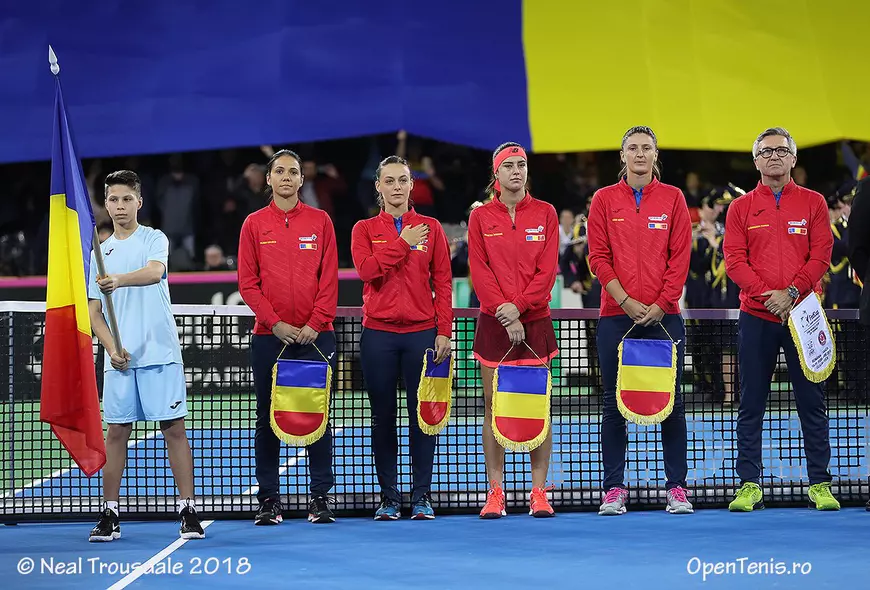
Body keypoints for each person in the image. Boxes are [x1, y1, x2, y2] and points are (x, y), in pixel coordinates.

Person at [723, 127, 839, 512]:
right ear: (756, 161)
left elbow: (821, 255)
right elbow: (735, 260)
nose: (774, 156)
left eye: (781, 150)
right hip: (757, 317)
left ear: (793, 159)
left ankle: (820, 483)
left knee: (812, 401)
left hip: (804, 316)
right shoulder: (740, 208)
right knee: (751, 403)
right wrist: (768, 297)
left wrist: (790, 294)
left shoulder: (814, 203)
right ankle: (749, 484)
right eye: (766, 151)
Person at [87, 170, 204, 542]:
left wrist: (119, 280)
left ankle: (187, 509)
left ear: (139, 201)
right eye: (113, 200)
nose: (120, 206)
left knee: (173, 430)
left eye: (126, 199)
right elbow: (93, 314)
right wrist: (110, 346)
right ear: (106, 204)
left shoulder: (154, 239)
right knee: (117, 432)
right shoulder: (99, 254)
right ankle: (109, 513)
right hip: (120, 360)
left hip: (158, 352)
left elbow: (155, 273)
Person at [587, 126, 693, 516]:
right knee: (612, 406)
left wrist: (664, 303)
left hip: (665, 319)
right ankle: (613, 489)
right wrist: (626, 300)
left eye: (646, 148)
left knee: (673, 404)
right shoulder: (602, 200)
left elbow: (680, 256)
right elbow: (598, 257)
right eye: (632, 148)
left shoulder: (674, 199)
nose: (640, 154)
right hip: (617, 316)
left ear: (655, 155)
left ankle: (677, 488)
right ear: (622, 155)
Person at [237, 149, 339, 525]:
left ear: (301, 179)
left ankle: (321, 498)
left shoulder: (321, 221)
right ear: (269, 179)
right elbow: (247, 283)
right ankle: (269, 500)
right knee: (267, 418)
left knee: (318, 416)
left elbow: (329, 279)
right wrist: (275, 323)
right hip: (270, 338)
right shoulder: (253, 224)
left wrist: (316, 321)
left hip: (317, 336)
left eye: (292, 172)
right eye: (279, 171)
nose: (286, 177)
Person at [351, 155, 453, 520]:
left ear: (412, 185)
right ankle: (390, 499)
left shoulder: (432, 227)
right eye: (390, 181)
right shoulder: (363, 229)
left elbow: (442, 282)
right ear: (378, 187)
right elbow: (366, 271)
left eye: (403, 180)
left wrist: (444, 331)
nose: (397, 187)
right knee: (382, 418)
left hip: (422, 335)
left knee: (422, 417)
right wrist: (402, 243)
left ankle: (421, 496)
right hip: (378, 334)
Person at [468, 142, 559, 518]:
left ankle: (538, 492)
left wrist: (518, 308)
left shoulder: (546, 213)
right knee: (493, 408)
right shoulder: (480, 218)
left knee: (539, 407)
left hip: (534, 322)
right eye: (509, 166)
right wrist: (506, 315)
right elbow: (480, 269)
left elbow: (546, 272)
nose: (516, 171)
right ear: (497, 174)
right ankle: (496, 492)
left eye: (521, 165)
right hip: (494, 323)